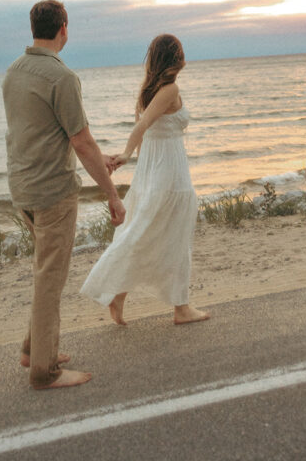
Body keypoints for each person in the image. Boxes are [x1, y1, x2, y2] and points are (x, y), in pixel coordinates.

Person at [2, 0, 126, 390]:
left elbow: (43, 132)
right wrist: (112, 194)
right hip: (52, 191)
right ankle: (44, 371)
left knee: (45, 272)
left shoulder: (13, 72)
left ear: (33, 27)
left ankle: (32, 350)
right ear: (64, 29)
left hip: (23, 188)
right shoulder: (61, 77)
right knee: (50, 280)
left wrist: (95, 157)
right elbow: (81, 140)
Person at [80, 33, 209, 326]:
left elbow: (145, 133)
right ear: (176, 57)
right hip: (170, 175)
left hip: (153, 174)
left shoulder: (145, 91)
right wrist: (126, 154)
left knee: (144, 234)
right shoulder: (170, 89)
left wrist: (135, 163)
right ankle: (181, 308)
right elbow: (143, 125)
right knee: (170, 238)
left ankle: (119, 293)